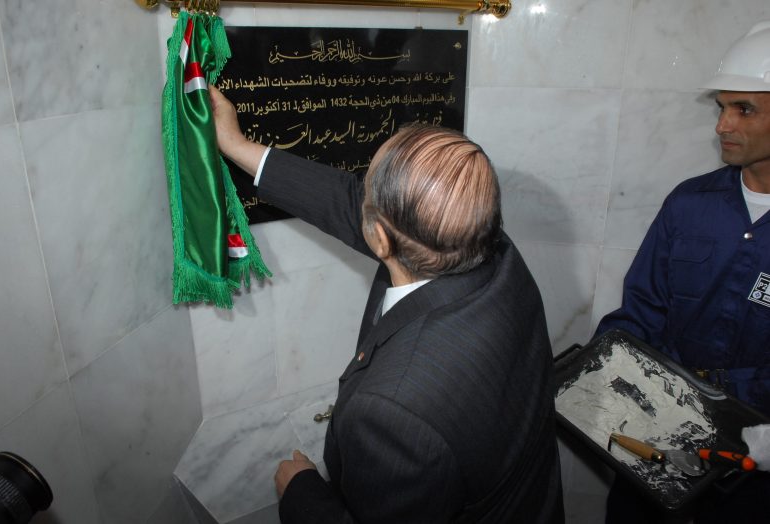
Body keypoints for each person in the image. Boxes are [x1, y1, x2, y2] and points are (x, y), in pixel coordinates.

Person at [210, 85, 564, 523]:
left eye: (368, 195)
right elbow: (346, 202)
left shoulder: (393, 415)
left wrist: (301, 494)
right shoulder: (491, 251)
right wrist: (237, 146)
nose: (358, 196)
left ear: (379, 238)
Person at [595, 21, 770, 523]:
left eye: (745, 109)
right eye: (722, 108)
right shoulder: (691, 203)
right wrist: (609, 383)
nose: (723, 126)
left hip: (750, 474)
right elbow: (638, 311)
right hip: (658, 445)